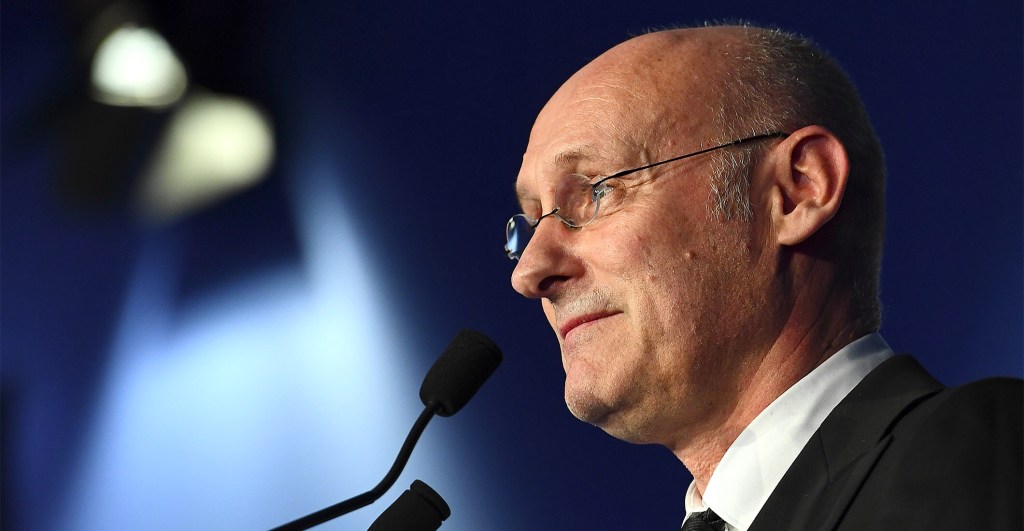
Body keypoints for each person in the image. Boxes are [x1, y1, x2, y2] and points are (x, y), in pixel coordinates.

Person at [504, 24, 1022, 530]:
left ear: (797, 190)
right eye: (532, 219)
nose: (529, 272)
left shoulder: (983, 453)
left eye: (595, 191)